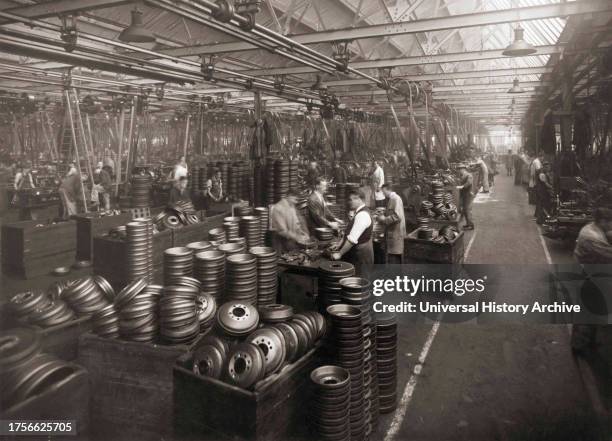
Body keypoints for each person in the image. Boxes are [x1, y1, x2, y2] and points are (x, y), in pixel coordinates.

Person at [571, 208, 612, 352]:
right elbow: (608, 255)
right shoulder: (592, 237)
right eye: (610, 222)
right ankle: (578, 346)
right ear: (603, 221)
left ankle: (590, 342)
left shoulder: (593, 227)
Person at [331, 190, 374, 275]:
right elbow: (349, 231)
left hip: (361, 255)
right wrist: (340, 244)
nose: (349, 202)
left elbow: (352, 239)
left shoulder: (362, 215)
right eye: (349, 199)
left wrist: (339, 254)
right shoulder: (358, 212)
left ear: (360, 200)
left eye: (352, 199)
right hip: (360, 252)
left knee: (360, 280)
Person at [377, 184, 406, 264]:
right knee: (393, 257)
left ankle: (395, 275)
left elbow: (397, 216)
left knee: (395, 257)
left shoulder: (395, 199)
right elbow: (393, 212)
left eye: (384, 192)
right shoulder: (391, 199)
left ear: (388, 189)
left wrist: (384, 219)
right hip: (393, 233)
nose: (383, 194)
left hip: (395, 233)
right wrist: (384, 213)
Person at [456, 164, 475, 230]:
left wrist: (462, 186)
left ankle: (471, 225)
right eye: (458, 169)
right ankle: (468, 224)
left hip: (468, 194)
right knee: (465, 209)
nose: (459, 171)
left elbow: (469, 182)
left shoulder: (468, 175)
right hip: (465, 194)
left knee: (467, 210)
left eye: (459, 169)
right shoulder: (462, 176)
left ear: (463, 169)